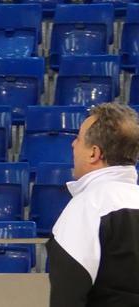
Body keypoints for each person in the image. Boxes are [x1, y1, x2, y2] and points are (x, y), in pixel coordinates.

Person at [48, 102, 139, 306]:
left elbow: (68, 297)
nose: (73, 144)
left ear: (94, 153)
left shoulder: (86, 208)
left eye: (79, 139)